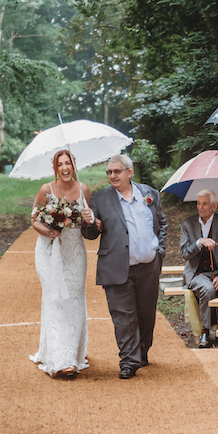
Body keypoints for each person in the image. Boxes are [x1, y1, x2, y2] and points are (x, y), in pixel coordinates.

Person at [81, 153, 167, 379]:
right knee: (123, 315)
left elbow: (162, 222)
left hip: (148, 267)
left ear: (129, 172)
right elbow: (90, 234)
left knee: (145, 314)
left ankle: (142, 350)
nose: (112, 175)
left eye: (116, 171)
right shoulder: (100, 199)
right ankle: (128, 360)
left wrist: (160, 251)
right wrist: (88, 222)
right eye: (109, 172)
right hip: (116, 266)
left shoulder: (149, 194)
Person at [29, 149, 95, 378]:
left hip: (74, 251)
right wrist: (49, 231)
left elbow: (91, 226)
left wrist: (91, 218)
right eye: (61, 164)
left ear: (74, 165)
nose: (65, 168)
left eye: (68, 163)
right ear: (55, 168)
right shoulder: (46, 190)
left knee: (74, 299)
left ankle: (74, 352)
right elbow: (33, 219)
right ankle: (62, 359)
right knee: (55, 298)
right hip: (48, 251)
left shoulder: (84, 189)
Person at [180, 189, 218, 348]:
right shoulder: (187, 224)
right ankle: (205, 331)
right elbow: (184, 253)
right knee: (208, 289)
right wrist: (199, 243)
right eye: (198, 203)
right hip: (197, 272)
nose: (200, 207)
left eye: (204, 203)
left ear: (214, 206)